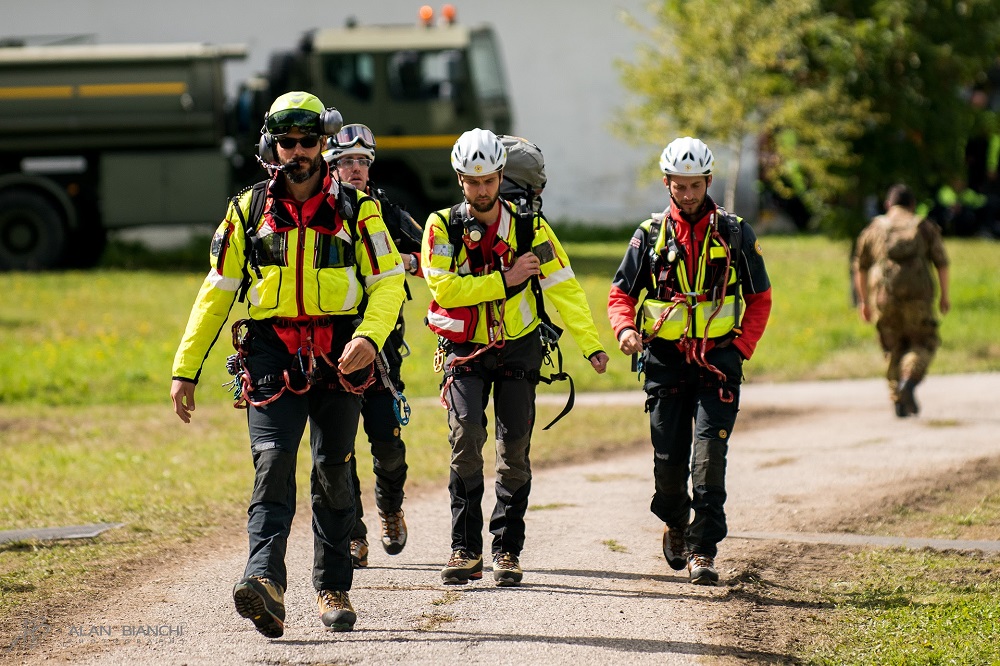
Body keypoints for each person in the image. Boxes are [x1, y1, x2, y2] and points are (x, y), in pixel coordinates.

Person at [170, 91, 406, 635]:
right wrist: (186, 368)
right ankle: (265, 582)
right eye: (287, 142)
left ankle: (332, 587)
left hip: (341, 353)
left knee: (333, 469)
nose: (297, 151)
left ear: (324, 143)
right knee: (272, 463)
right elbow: (217, 290)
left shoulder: (358, 209)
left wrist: (371, 337)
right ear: (272, 146)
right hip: (271, 351)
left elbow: (389, 280)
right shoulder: (247, 210)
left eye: (307, 141)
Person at [422, 128, 609, 587]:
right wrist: (504, 280)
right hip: (466, 350)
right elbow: (442, 287)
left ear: (501, 175)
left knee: (514, 452)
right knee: (465, 439)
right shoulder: (441, 226)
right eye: (472, 181)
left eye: (489, 180)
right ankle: (464, 549)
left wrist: (592, 343)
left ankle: (506, 550)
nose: (482, 190)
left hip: (519, 347)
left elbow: (563, 286)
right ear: (460, 179)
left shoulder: (531, 229)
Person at [607, 137, 772, 585]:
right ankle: (676, 522)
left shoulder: (736, 233)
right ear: (667, 184)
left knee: (709, 459)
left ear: (708, 181)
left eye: (694, 186)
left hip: (718, 363)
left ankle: (703, 549)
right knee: (669, 464)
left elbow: (760, 298)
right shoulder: (648, 235)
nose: (687, 194)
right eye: (679, 186)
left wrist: (740, 349)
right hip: (664, 361)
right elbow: (621, 292)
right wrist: (624, 329)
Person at [323, 123, 423, 568]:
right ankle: (353, 534)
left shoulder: (386, 211)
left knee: (386, 442)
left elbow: (438, 262)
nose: (357, 169)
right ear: (331, 164)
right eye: (347, 161)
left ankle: (390, 510)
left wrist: (401, 262)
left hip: (382, 350)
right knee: (338, 449)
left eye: (364, 161)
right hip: (330, 350)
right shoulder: (321, 212)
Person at [852, 184, 950, 418]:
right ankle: (909, 380)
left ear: (888, 204)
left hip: (885, 298)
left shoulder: (874, 229)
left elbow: (860, 267)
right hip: (919, 298)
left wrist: (864, 301)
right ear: (912, 205)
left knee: (892, 346)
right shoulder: (924, 227)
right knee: (924, 342)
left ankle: (897, 398)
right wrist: (945, 296)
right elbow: (941, 262)